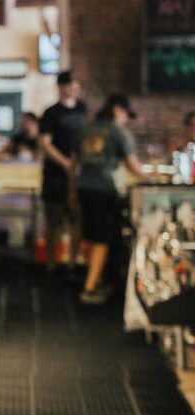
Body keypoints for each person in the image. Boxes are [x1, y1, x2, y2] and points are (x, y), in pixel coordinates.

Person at [75, 94, 145, 304]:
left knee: (88, 235)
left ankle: (91, 277)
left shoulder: (86, 128)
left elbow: (73, 162)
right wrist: (152, 176)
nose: (127, 120)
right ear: (118, 110)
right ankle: (90, 287)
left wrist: (71, 190)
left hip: (83, 187)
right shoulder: (118, 131)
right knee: (102, 239)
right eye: (126, 115)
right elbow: (133, 166)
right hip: (105, 189)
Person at [39, 71, 88, 269]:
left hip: (78, 176)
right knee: (53, 222)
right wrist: (65, 163)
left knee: (78, 221)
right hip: (55, 175)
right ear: (61, 87)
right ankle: (51, 264)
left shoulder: (83, 109)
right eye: (70, 85)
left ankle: (72, 263)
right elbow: (45, 143)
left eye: (75, 85)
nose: (74, 89)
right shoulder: (51, 113)